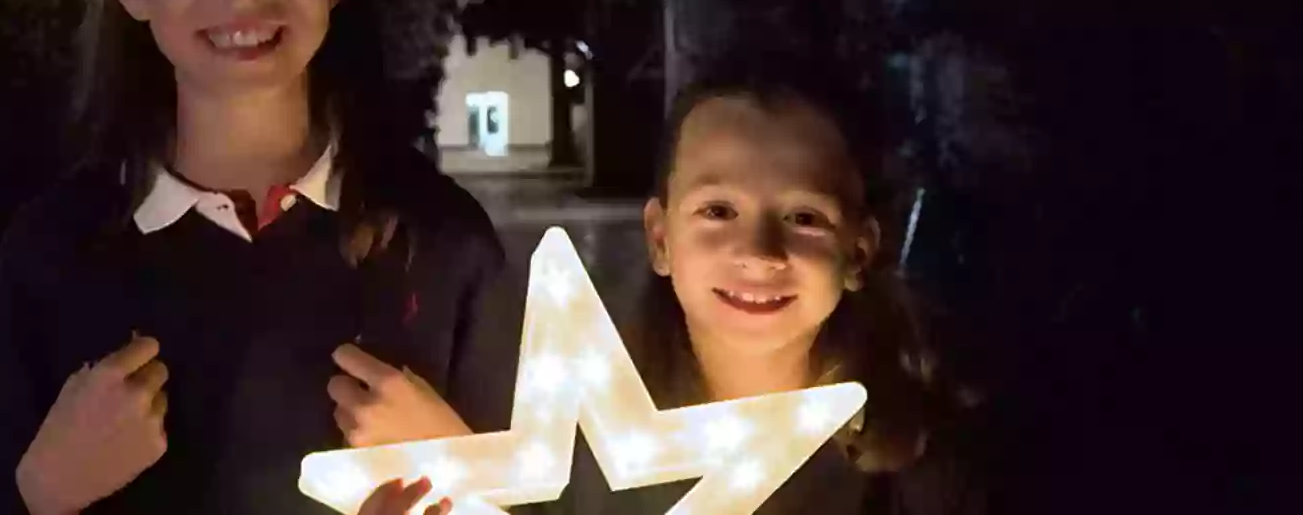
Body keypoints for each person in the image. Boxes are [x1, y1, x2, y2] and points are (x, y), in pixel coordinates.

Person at [0, 0, 519, 513]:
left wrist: (463, 477)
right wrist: (39, 493)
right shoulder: (55, 249)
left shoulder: (441, 242)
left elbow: (537, 494)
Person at [357, 58, 981, 514]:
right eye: (717, 211)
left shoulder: (923, 470)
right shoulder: (571, 444)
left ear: (859, 251)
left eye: (804, 218)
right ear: (660, 238)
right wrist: (452, 472)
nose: (759, 254)